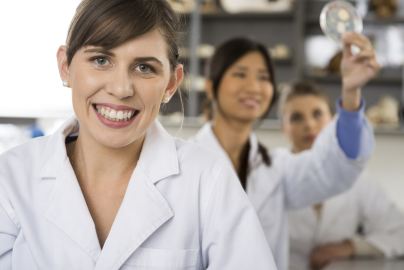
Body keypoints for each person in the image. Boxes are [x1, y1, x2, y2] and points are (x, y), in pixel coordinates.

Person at [0, 1, 278, 269]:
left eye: (144, 68)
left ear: (171, 83)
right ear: (65, 66)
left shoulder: (207, 180)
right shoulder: (12, 178)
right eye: (100, 60)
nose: (121, 88)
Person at [192, 34, 379, 270]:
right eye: (240, 74)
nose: (254, 87)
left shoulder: (276, 168)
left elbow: (332, 166)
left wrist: (351, 92)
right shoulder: (184, 165)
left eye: (264, 77)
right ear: (211, 86)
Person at [281, 81, 404, 270]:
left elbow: (399, 232)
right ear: (284, 127)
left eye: (317, 114)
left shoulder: (357, 177)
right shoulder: (271, 175)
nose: (309, 124)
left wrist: (351, 247)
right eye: (297, 117)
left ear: (332, 120)